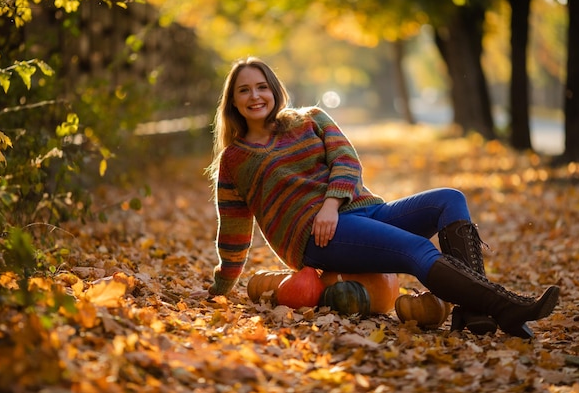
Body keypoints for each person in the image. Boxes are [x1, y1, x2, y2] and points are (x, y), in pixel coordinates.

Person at [205, 56, 560, 339]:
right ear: (233, 102)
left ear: (274, 90)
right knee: (416, 252)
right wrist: (221, 286)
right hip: (315, 237)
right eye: (245, 90)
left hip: (364, 210)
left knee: (449, 199)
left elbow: (346, 160)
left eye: (261, 87)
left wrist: (331, 204)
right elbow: (234, 231)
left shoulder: (310, 119)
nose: (255, 97)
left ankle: (474, 311)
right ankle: (503, 306)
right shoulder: (235, 160)